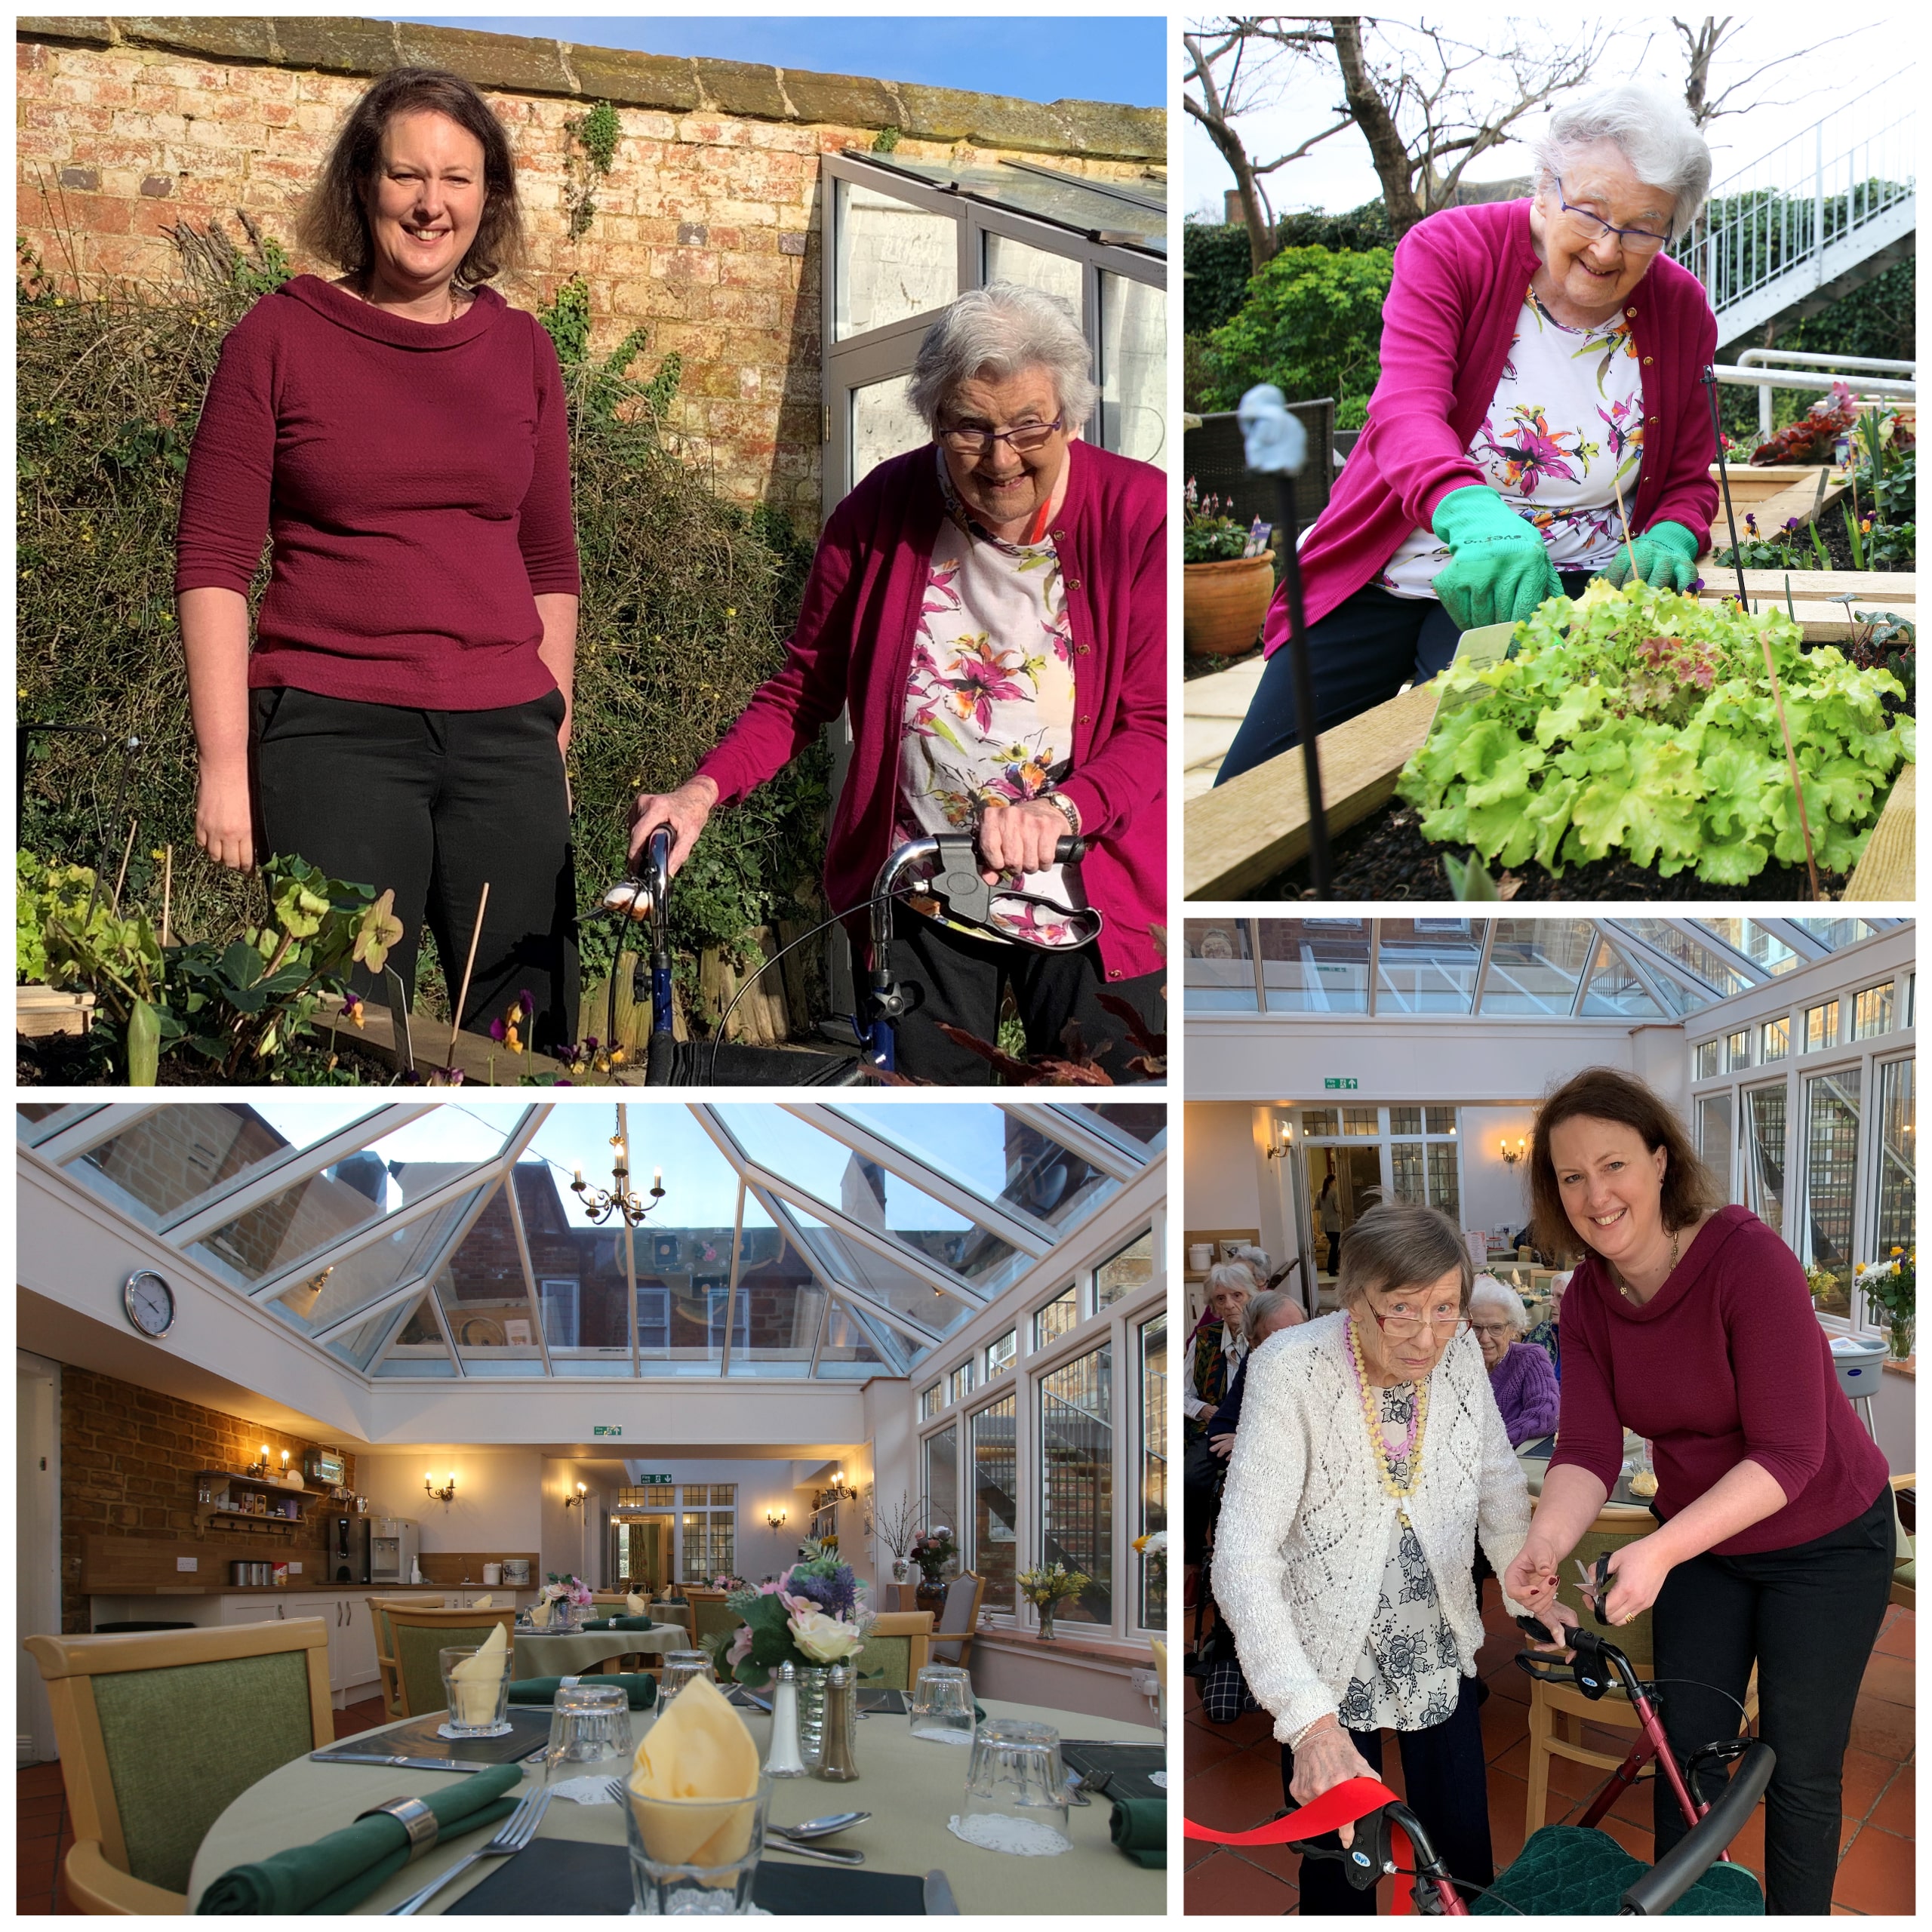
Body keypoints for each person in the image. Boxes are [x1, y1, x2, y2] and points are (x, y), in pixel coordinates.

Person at [627, 283, 1165, 1082]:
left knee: (1102, 1120)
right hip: (921, 889)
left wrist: (1059, 808)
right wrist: (700, 792)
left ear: (1071, 416)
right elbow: (802, 688)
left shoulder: (1137, 513)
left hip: (1094, 891)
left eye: (1028, 427)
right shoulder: (879, 511)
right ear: (933, 416)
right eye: (970, 428)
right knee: (926, 1114)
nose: (1001, 458)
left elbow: (1153, 726)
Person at [177, 66, 582, 1048]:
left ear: (488, 200)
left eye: (458, 179)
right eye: (408, 174)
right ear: (364, 184)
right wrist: (224, 762)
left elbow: (551, 566)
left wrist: (552, 742)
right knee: (346, 1037)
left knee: (532, 1043)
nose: (431, 203)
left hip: (504, 740)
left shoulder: (523, 351)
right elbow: (214, 562)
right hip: (331, 735)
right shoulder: (277, 337)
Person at [1215, 83, 1718, 783]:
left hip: (1547, 586)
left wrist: (1671, 536)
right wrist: (1474, 515)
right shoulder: (1453, 249)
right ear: (1545, 189)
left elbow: (1691, 476)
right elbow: (1404, 411)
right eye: (1591, 212)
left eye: (1643, 227)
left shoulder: (1680, 307)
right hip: (1390, 559)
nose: (1609, 248)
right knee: (1255, 792)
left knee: (1473, 775)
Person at [1503, 1067, 1895, 1916]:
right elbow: (1586, 1448)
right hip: (1707, 1543)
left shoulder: (1745, 1259)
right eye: (1571, 1177)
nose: (1595, 1195)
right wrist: (1544, 1543)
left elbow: (1790, 1454)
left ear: (1658, 1161)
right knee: (1686, 1752)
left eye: (1613, 1165)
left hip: (1826, 1539)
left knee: (1797, 1764)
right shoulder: (1585, 1300)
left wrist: (1660, 1547)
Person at [1215, 1204, 1561, 1912]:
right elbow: (1242, 1556)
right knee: (1344, 1868)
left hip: (1437, 1635)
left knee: (1460, 1857)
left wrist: (1523, 1576)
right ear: (1355, 1297)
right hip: (1325, 1660)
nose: (1427, 1336)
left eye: (1445, 1308)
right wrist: (1307, 1722)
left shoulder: (1462, 1353)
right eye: (1401, 1309)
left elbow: (1495, 1478)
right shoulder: (1289, 1367)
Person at [1470, 1275, 1561, 1446]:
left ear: (1513, 1329)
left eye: (1496, 1328)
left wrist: (1492, 1444)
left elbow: (1545, 1414)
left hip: (1513, 1461)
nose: (1484, 1338)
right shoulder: (1456, 1363)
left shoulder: (1530, 1358)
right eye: (1476, 1328)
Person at [1318, 1174, 1343, 1274]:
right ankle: (1332, 1269)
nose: (1336, 1182)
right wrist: (1341, 1212)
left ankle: (1331, 1268)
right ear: (1332, 1182)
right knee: (1335, 1246)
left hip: (1324, 1222)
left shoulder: (1320, 1192)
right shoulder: (1333, 1192)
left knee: (1333, 1245)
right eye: (1335, 1181)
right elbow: (1337, 1207)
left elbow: (1317, 1206)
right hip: (1333, 1222)